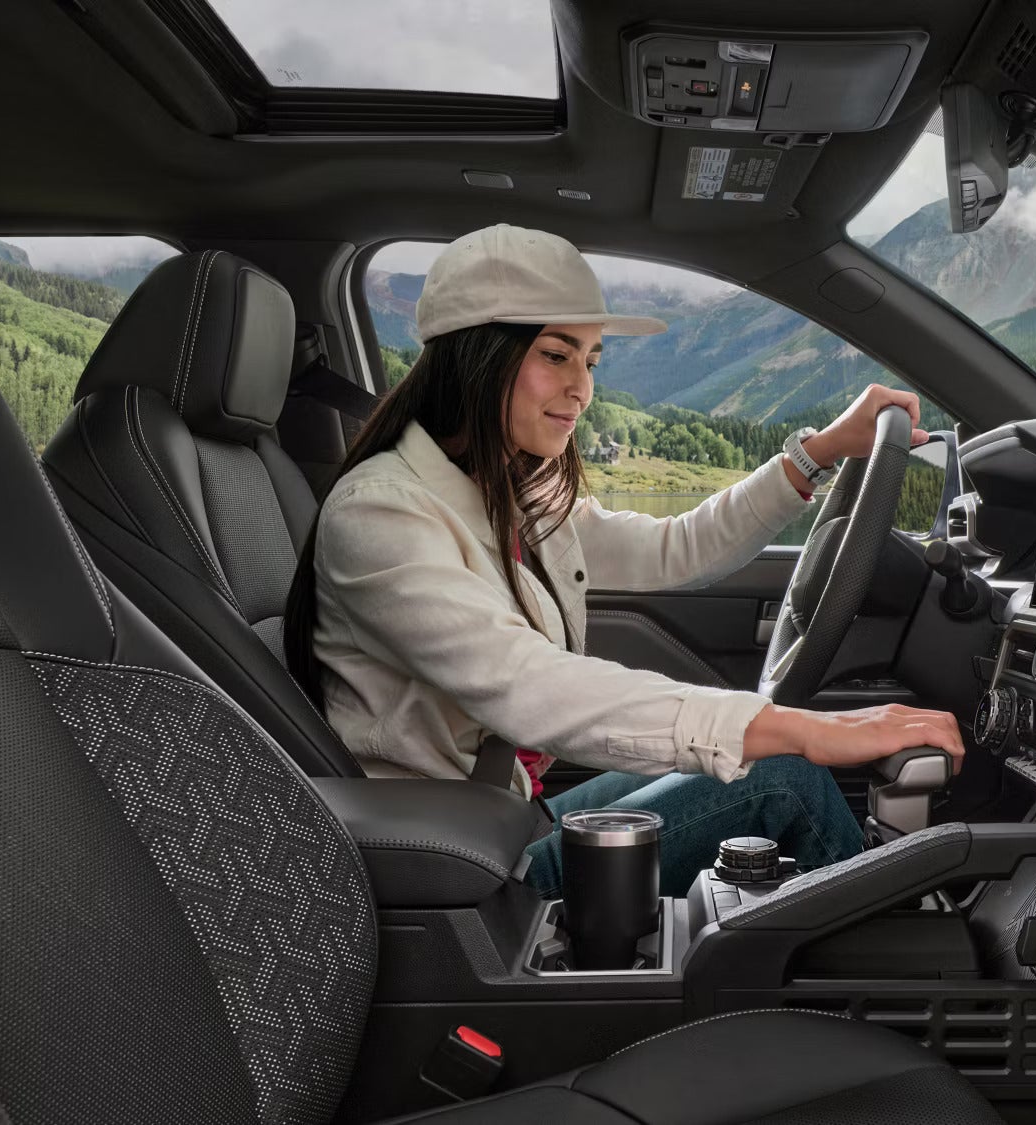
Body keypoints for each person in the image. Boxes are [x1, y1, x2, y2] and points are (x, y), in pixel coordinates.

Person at [290, 224, 964, 897]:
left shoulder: (510, 495)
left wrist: (817, 452)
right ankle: (887, 957)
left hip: (506, 818)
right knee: (784, 773)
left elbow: (679, 547)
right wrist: (806, 730)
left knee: (771, 761)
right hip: (457, 873)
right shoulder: (381, 514)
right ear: (475, 356)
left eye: (590, 361)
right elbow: (531, 687)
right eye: (556, 355)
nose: (581, 389)